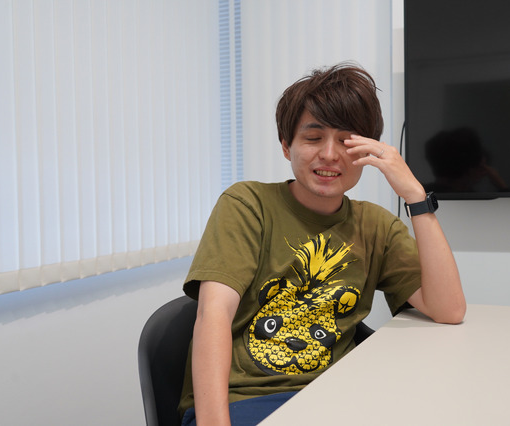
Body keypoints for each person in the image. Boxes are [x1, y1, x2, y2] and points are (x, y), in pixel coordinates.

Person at [178, 62, 466, 426]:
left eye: (346, 141)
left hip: (337, 396)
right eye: (313, 138)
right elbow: (213, 315)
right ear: (287, 146)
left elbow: (449, 310)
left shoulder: (375, 226)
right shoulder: (247, 205)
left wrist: (415, 195)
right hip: (245, 400)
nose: (330, 154)